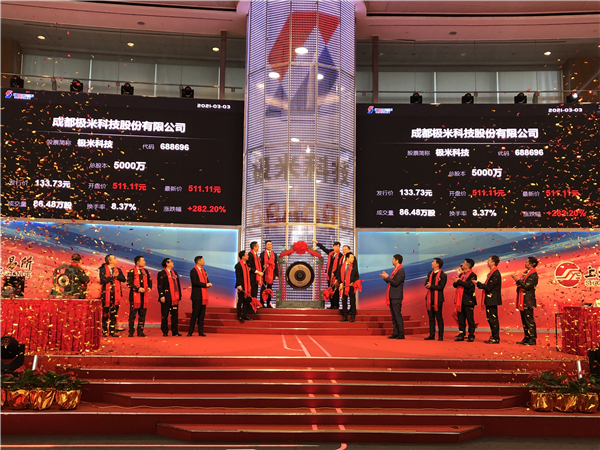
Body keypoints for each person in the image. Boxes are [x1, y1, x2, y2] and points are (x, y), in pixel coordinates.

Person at [473, 255, 502, 344]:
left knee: (493, 319)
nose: (487, 262)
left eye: (489, 260)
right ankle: (494, 336)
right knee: (490, 319)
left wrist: (477, 283)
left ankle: (495, 338)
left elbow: (489, 287)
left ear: (493, 262)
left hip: (492, 299)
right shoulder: (492, 273)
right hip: (490, 299)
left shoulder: (495, 273)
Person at [511, 256, 539, 346]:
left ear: (531, 264)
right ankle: (526, 337)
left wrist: (517, 280)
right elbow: (521, 285)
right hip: (523, 300)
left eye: (527, 262)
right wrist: (518, 281)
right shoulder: (526, 273)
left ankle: (532, 338)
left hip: (528, 300)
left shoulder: (533, 275)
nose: (525, 263)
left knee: (529, 320)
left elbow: (526, 287)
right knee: (524, 321)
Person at [99, 254, 126, 337]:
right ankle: (104, 331)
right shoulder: (103, 269)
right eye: (114, 258)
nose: (115, 259)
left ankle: (112, 331)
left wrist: (117, 276)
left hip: (116, 295)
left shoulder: (118, 270)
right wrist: (112, 276)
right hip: (106, 295)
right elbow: (102, 281)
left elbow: (123, 279)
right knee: (105, 314)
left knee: (114, 314)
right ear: (110, 261)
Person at [313, 238, 343, 311]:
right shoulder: (330, 253)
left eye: (338, 246)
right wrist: (317, 243)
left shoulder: (340, 255)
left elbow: (340, 267)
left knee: (335, 291)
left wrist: (335, 274)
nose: (336, 247)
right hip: (329, 275)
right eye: (335, 246)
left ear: (339, 247)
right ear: (333, 247)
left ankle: (336, 305)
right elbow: (323, 248)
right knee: (330, 290)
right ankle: (332, 305)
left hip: (336, 276)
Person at [380, 254, 405, 339]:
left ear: (397, 260)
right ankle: (395, 332)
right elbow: (391, 281)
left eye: (393, 259)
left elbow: (395, 283)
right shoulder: (395, 270)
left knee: (397, 315)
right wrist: (385, 277)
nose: (392, 261)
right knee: (393, 316)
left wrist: (387, 277)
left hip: (396, 296)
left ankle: (401, 333)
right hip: (392, 295)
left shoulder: (401, 271)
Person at [126, 256, 152, 337]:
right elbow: (129, 283)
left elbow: (149, 281)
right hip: (134, 296)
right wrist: (137, 289)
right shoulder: (131, 272)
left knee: (142, 315)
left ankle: (140, 331)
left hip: (144, 296)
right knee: (132, 316)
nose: (144, 262)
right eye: (143, 260)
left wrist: (149, 287)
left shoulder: (145, 271)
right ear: (137, 262)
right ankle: (131, 331)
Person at [453, 258, 477, 342]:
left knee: (470, 319)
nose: (462, 264)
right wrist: (456, 281)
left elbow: (469, 285)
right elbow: (455, 285)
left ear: (467, 266)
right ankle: (461, 334)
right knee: (461, 319)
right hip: (460, 300)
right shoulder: (461, 275)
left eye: (464, 263)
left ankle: (471, 335)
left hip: (468, 300)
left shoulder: (473, 275)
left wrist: (458, 281)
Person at [157, 258, 182, 336]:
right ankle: (165, 331)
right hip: (166, 296)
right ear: (167, 264)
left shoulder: (175, 273)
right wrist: (161, 295)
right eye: (170, 262)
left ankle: (175, 331)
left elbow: (177, 285)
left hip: (175, 297)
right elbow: (160, 285)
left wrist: (179, 295)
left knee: (174, 315)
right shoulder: (162, 273)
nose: (172, 263)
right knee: (165, 315)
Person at [424, 257, 447, 341]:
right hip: (429, 298)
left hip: (438, 299)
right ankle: (431, 334)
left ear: (437, 264)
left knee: (439, 317)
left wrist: (431, 286)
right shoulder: (430, 273)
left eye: (433, 262)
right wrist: (427, 285)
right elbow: (426, 283)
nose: (432, 263)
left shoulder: (443, 275)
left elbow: (441, 287)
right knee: (431, 317)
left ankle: (440, 335)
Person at [189, 255, 212, 336]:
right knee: (195, 314)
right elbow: (195, 282)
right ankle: (190, 331)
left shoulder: (203, 270)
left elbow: (206, 280)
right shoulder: (193, 271)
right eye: (202, 260)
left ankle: (201, 331)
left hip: (203, 295)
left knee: (202, 315)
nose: (204, 261)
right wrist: (205, 285)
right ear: (198, 262)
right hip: (197, 295)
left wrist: (208, 284)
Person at [336, 252, 359, 322]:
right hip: (343, 286)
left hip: (351, 287)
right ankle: (345, 316)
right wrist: (340, 283)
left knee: (352, 301)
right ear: (347, 258)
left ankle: (353, 316)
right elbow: (338, 276)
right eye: (351, 257)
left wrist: (353, 282)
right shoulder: (340, 266)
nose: (353, 259)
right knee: (344, 302)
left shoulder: (354, 267)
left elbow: (357, 277)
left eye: (353, 257)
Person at [246, 242, 264, 314]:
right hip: (251, 277)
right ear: (254, 247)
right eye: (258, 245)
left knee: (255, 293)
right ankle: (250, 309)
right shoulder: (250, 255)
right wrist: (258, 272)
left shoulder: (256, 255)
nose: (259, 246)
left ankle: (254, 309)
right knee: (251, 293)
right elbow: (249, 267)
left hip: (255, 277)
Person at [260, 240, 279, 308]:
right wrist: (263, 266)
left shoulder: (274, 254)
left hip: (271, 274)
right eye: (268, 244)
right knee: (263, 288)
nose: (269, 246)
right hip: (264, 274)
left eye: (271, 244)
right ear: (265, 245)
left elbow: (275, 265)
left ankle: (268, 303)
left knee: (270, 289)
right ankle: (262, 303)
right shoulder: (262, 254)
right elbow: (260, 264)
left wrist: (276, 275)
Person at [235, 250, 252, 323]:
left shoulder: (246, 265)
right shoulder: (238, 265)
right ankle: (239, 315)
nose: (248, 256)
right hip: (241, 286)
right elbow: (238, 276)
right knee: (240, 300)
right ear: (243, 257)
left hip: (247, 285)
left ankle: (245, 315)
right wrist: (239, 285)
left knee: (246, 301)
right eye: (246, 255)